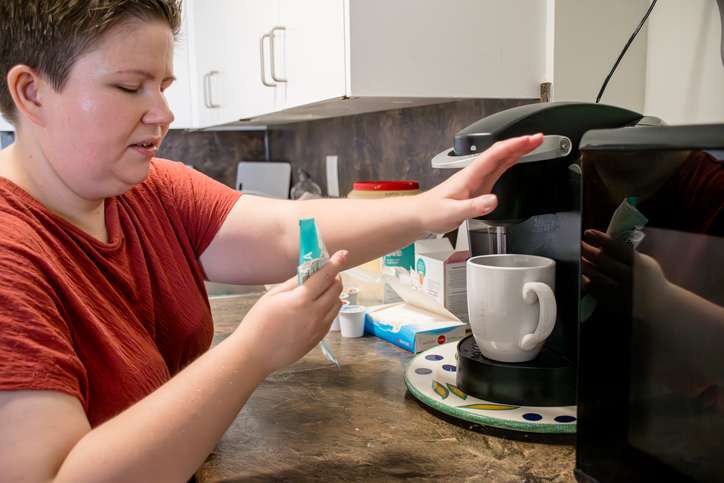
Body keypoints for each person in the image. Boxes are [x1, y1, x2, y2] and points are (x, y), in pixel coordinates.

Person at [0, 1, 544, 481]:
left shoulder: (149, 189)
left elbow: (290, 230)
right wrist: (252, 352)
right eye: (128, 86)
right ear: (31, 92)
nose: (163, 113)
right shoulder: (10, 252)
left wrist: (429, 208)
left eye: (163, 86)